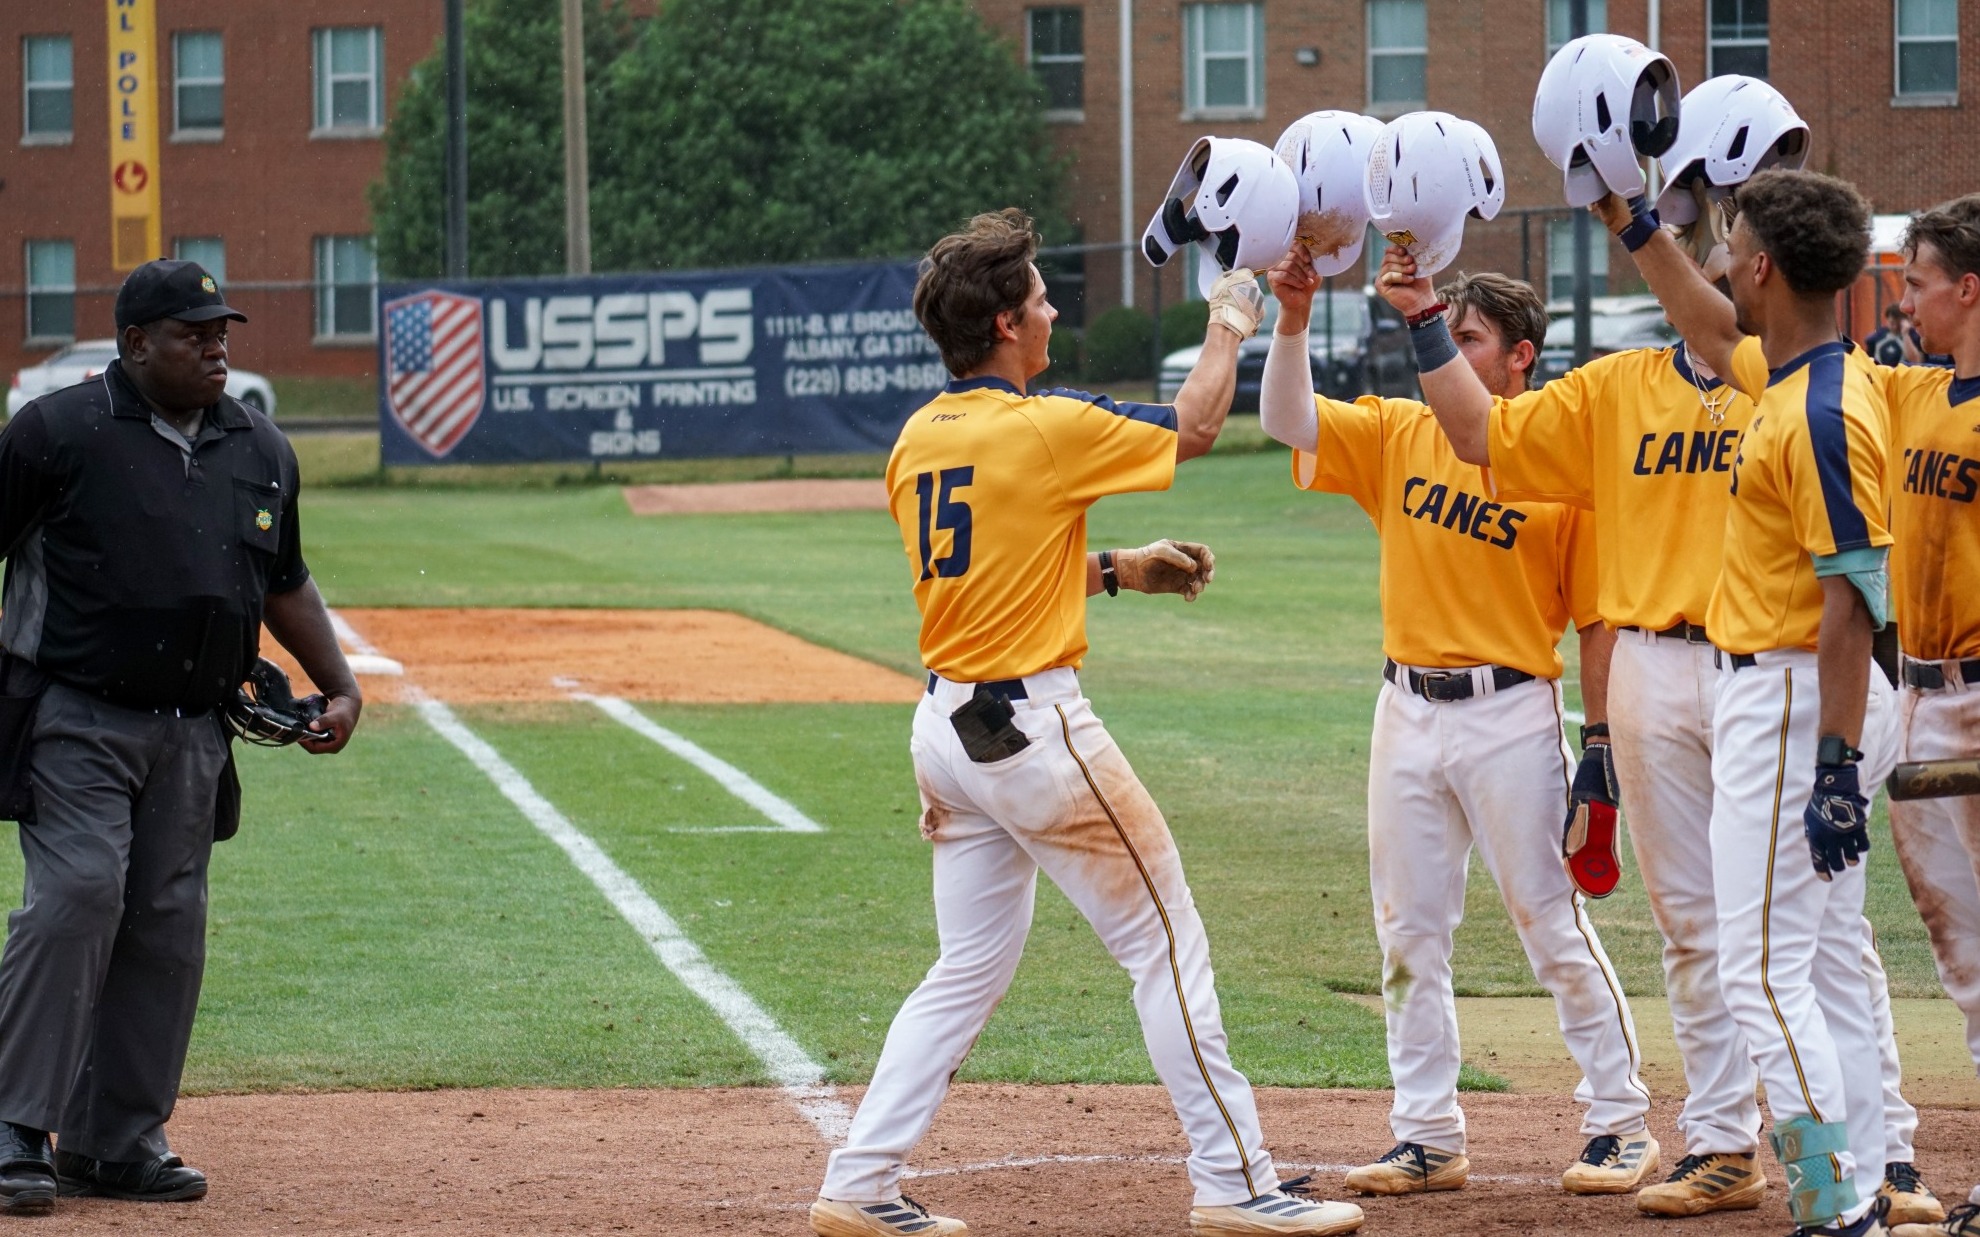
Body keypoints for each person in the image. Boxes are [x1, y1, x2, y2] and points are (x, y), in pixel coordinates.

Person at [807, 210, 1364, 1237]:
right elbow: (1195, 425)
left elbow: (996, 570)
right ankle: (1237, 1182)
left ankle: (859, 1182)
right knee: (1166, 941)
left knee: (967, 967)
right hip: (1034, 734)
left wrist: (1113, 568)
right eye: (1041, 298)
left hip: (946, 731)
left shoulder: (916, 438)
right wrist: (1232, 318)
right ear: (1009, 324)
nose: (1054, 309)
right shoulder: (1039, 424)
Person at [1382, 248, 1940, 1223]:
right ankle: (1726, 1142)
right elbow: (1476, 433)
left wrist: (1625, 220)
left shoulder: (1790, 380)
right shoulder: (1618, 387)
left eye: (1727, 246)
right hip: (1658, 664)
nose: (1715, 265)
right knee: (1696, 929)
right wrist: (1428, 315)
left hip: (1784, 672)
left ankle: (1879, 1160)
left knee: (1815, 941)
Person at [1258, 253, 1656, 1199]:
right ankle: (1428, 1132)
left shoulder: (1562, 473)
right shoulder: (1399, 432)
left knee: (1552, 925)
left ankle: (1622, 1120)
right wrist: (1292, 317)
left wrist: (1598, 746)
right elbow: (1287, 419)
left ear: (1519, 358)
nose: (1442, 348)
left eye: (1465, 337)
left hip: (1513, 714)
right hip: (1404, 708)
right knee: (1407, 932)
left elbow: (1599, 624)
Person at [0, 260, 361, 1215]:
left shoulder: (260, 447)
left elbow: (284, 579)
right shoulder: (55, 433)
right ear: (133, 345)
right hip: (73, 714)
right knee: (78, 893)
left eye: (221, 329)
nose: (216, 345)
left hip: (196, 729)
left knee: (166, 926)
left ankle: (114, 1141)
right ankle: (11, 1123)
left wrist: (340, 683)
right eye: (192, 332)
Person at [1586, 169, 1899, 1237]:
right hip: (1785, 693)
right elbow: (1711, 328)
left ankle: (1838, 1202)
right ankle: (1862, 1179)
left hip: (1793, 697)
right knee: (1802, 962)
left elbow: (1852, 599)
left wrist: (1838, 766)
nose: (1719, 259)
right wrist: (1630, 225)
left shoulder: (1816, 410)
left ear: (1765, 265)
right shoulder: (1804, 369)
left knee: (1760, 971)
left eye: (1731, 244)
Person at [1875, 194, 1980, 1237]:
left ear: (1970, 288)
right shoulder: (1914, 392)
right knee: (1965, 959)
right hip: (1916, 696)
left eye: (1917, 281)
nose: (1903, 299)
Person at [1866, 305, 1923, 369]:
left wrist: (1905, 334)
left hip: (1902, 374)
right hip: (1880, 373)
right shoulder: (1879, 335)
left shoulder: (1914, 336)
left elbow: (1916, 362)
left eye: (1897, 322)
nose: (1894, 326)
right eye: (1891, 322)